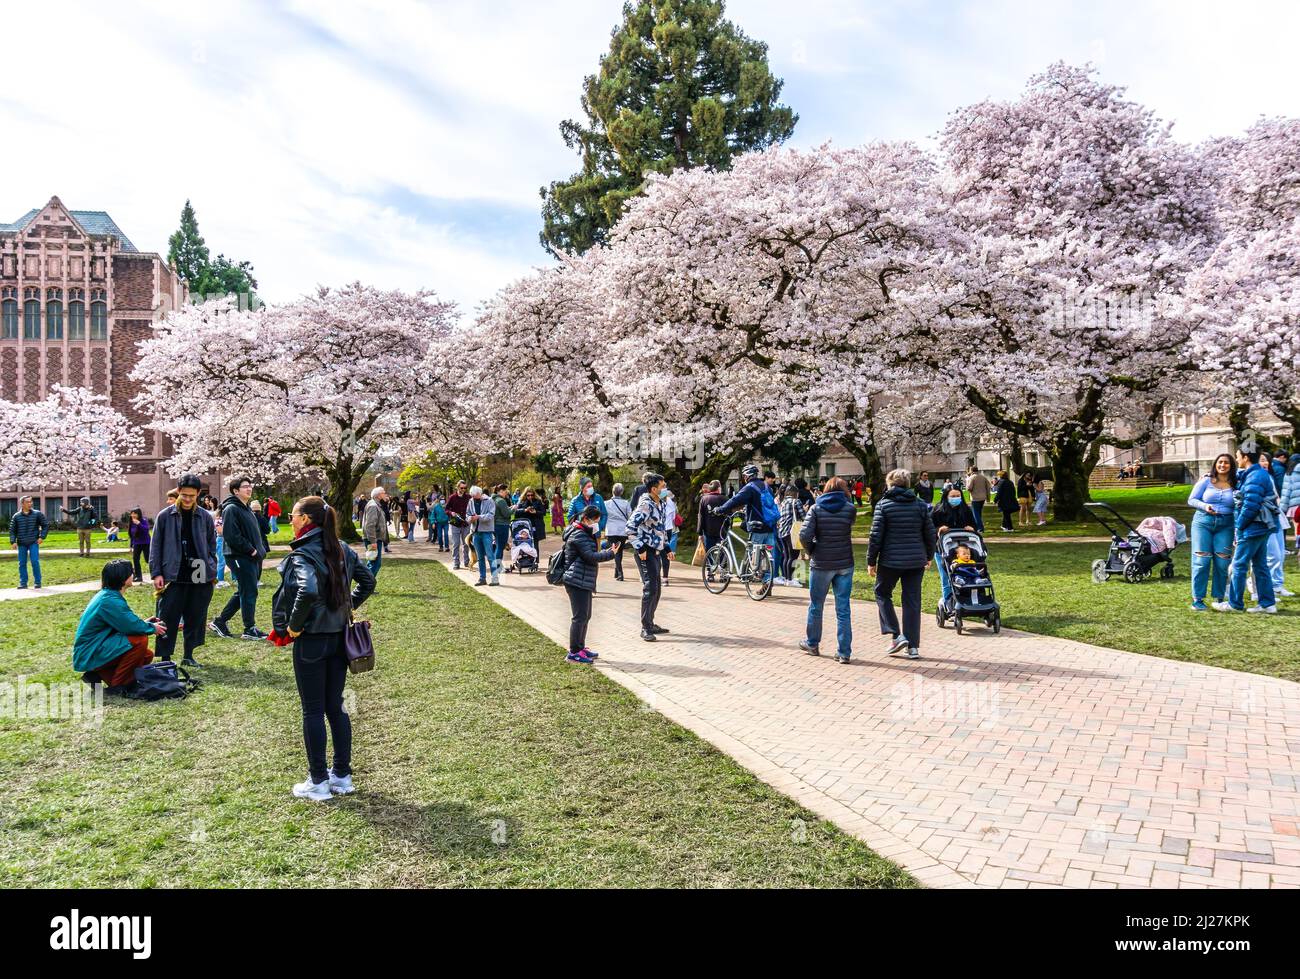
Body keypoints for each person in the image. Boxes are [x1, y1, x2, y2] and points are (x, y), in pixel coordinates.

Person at [271, 496, 375, 801]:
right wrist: (343, 608)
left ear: (306, 520)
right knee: (335, 706)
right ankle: (341, 775)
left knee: (313, 709)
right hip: (339, 638)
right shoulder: (342, 547)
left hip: (313, 639)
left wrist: (293, 626)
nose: (290, 520)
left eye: (293, 515)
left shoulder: (303, 553)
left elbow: (308, 589)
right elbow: (367, 582)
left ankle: (318, 780)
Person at [149, 474, 218, 667]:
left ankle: (189, 654)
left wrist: (211, 565)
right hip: (173, 574)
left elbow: (212, 544)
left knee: (195, 616)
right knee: (167, 616)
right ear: (178, 492)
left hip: (200, 573)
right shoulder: (165, 516)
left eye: (192, 495)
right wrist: (156, 573)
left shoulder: (204, 516)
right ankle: (165, 658)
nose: (187, 499)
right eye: (184, 495)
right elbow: (155, 546)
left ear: (198, 494)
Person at [867, 469, 936, 660]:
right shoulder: (920, 505)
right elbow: (930, 533)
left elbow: (875, 536)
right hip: (915, 559)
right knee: (912, 601)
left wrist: (871, 561)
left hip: (891, 560)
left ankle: (896, 634)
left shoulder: (884, 505)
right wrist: (929, 555)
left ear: (890, 484)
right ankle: (912, 646)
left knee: (882, 592)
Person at [73, 559, 166, 691]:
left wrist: (145, 624)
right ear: (122, 578)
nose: (133, 574)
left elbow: (125, 623)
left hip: (94, 649)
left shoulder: (108, 596)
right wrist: (151, 628)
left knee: (146, 655)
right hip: (90, 653)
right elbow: (130, 626)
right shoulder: (109, 600)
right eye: (130, 572)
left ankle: (98, 674)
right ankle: (119, 685)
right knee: (139, 641)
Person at [798, 476, 857, 663]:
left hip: (822, 562)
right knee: (843, 609)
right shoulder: (850, 509)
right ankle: (844, 651)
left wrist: (812, 550)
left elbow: (804, 535)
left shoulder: (816, 508)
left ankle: (812, 642)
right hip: (844, 562)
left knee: (816, 605)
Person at [1216, 446, 1278, 614]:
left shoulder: (1255, 476)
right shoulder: (1256, 474)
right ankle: (1267, 604)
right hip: (1260, 527)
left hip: (1252, 527)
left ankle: (1235, 604)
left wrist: (1240, 526)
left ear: (1245, 457)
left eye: (1237, 457)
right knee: (1260, 566)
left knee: (1238, 565)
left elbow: (1251, 505)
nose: (1236, 460)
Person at [209, 476, 270, 641]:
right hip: (239, 556)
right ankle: (249, 628)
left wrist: (260, 551)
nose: (249, 489)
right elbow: (231, 535)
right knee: (249, 590)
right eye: (245, 487)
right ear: (236, 491)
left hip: (252, 557)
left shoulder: (246, 508)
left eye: (250, 486)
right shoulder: (231, 509)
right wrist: (251, 551)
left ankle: (220, 622)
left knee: (245, 590)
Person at [560, 505, 621, 664]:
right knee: (579, 617)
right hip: (576, 580)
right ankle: (573, 652)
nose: (597, 525)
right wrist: (610, 554)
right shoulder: (579, 534)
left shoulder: (585, 532)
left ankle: (580, 647)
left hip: (583, 579)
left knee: (586, 616)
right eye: (595, 521)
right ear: (586, 519)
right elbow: (590, 556)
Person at [714, 464, 779, 582]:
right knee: (768, 553)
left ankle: (748, 574)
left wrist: (720, 509)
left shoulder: (749, 487)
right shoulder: (767, 487)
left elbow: (735, 500)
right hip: (770, 525)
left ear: (746, 476)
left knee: (753, 551)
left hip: (757, 525)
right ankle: (767, 581)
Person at [1188, 453, 1236, 611]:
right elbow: (1192, 499)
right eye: (1220, 462)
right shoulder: (1206, 481)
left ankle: (1219, 598)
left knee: (1223, 562)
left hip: (1226, 524)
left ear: (1231, 466)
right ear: (1215, 464)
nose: (1222, 465)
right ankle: (1198, 599)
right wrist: (1205, 506)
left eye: (1226, 463)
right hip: (1203, 522)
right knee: (1202, 561)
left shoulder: (1236, 482)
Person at [628, 472, 671, 641]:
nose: (665, 489)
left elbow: (660, 527)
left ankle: (650, 622)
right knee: (650, 588)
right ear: (654, 489)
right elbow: (630, 527)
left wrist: (666, 547)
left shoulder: (659, 503)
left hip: (656, 550)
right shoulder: (646, 505)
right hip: (645, 552)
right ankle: (645, 628)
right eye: (663, 487)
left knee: (657, 588)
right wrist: (640, 548)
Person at [929, 485, 977, 606]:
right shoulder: (938, 510)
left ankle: (967, 600)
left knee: (966, 575)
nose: (956, 498)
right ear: (946, 497)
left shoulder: (966, 510)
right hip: (943, 549)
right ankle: (949, 603)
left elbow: (975, 527)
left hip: (964, 550)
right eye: (953, 496)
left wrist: (972, 528)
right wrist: (939, 529)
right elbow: (927, 528)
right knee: (947, 578)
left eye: (958, 496)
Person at [8, 495, 48, 589]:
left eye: (31, 502)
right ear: (22, 504)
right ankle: (23, 583)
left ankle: (37, 582)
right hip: (21, 543)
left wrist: (42, 537)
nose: (30, 504)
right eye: (28, 502)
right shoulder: (16, 516)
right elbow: (12, 530)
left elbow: (45, 525)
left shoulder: (37, 514)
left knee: (35, 561)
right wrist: (13, 541)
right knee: (22, 563)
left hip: (33, 542)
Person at [466, 485, 499, 586]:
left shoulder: (489, 501)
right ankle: (482, 578)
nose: (474, 498)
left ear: (480, 494)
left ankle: (495, 578)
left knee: (490, 556)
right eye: (473, 497)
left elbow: (491, 515)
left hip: (486, 532)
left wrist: (478, 517)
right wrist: (470, 518)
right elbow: (467, 514)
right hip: (475, 532)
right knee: (480, 557)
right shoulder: (471, 501)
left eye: (476, 496)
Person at [775, 486, 805, 586]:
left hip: (782, 532)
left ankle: (786, 579)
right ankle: (791, 580)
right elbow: (804, 516)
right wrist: (805, 509)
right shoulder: (796, 501)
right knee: (793, 556)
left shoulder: (782, 502)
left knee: (787, 556)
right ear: (795, 493)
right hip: (793, 531)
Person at [602, 483, 632, 581]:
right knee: (619, 551)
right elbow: (630, 516)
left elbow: (603, 516)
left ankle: (620, 573)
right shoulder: (626, 503)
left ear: (612, 491)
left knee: (616, 551)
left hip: (611, 530)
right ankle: (617, 571)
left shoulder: (606, 503)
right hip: (622, 530)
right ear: (622, 492)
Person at [360, 487, 390, 578]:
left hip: (376, 539)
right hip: (373, 539)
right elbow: (369, 525)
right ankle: (366, 586)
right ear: (378, 495)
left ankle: (368, 586)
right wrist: (373, 541)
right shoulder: (373, 506)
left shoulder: (376, 505)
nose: (385, 494)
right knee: (374, 564)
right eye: (384, 493)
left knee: (374, 563)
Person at [446, 481, 472, 569]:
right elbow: (446, 509)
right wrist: (451, 512)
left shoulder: (469, 497)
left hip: (466, 524)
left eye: (465, 488)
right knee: (456, 544)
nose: (463, 489)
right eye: (462, 488)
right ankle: (456, 562)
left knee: (466, 544)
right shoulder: (452, 497)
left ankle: (467, 562)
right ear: (457, 487)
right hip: (455, 523)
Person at [697, 480, 726, 554]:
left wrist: (700, 532)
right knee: (722, 550)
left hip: (708, 530)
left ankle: (709, 564)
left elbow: (701, 516)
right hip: (722, 529)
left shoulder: (704, 499)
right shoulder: (724, 499)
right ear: (719, 488)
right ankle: (722, 564)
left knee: (709, 551)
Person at [660, 488, 679, 585]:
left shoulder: (655, 502)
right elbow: (673, 517)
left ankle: (658, 577)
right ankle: (665, 578)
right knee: (665, 554)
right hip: (668, 529)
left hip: (660, 530)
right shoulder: (670, 502)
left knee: (658, 554)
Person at [127, 507, 151, 583]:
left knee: (148, 559)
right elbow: (132, 535)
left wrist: (139, 524)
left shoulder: (143, 521)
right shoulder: (131, 522)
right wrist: (131, 546)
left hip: (145, 543)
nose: (133, 515)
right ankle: (138, 576)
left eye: (135, 513)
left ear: (138, 514)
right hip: (137, 543)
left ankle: (156, 573)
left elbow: (146, 530)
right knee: (135, 559)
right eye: (132, 513)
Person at [965, 467, 991, 534]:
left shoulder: (972, 477)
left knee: (976, 513)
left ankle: (980, 528)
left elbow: (969, 488)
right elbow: (988, 486)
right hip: (983, 497)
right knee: (979, 513)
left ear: (971, 470)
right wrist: (988, 497)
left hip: (975, 498)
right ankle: (978, 526)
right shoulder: (983, 477)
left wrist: (967, 482)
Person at [493, 484, 513, 564]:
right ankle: (497, 566)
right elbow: (506, 514)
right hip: (502, 525)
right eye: (506, 491)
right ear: (501, 491)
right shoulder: (501, 500)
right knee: (500, 547)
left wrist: (509, 508)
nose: (507, 493)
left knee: (498, 546)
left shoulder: (493, 499)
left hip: (495, 525)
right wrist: (513, 509)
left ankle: (496, 565)